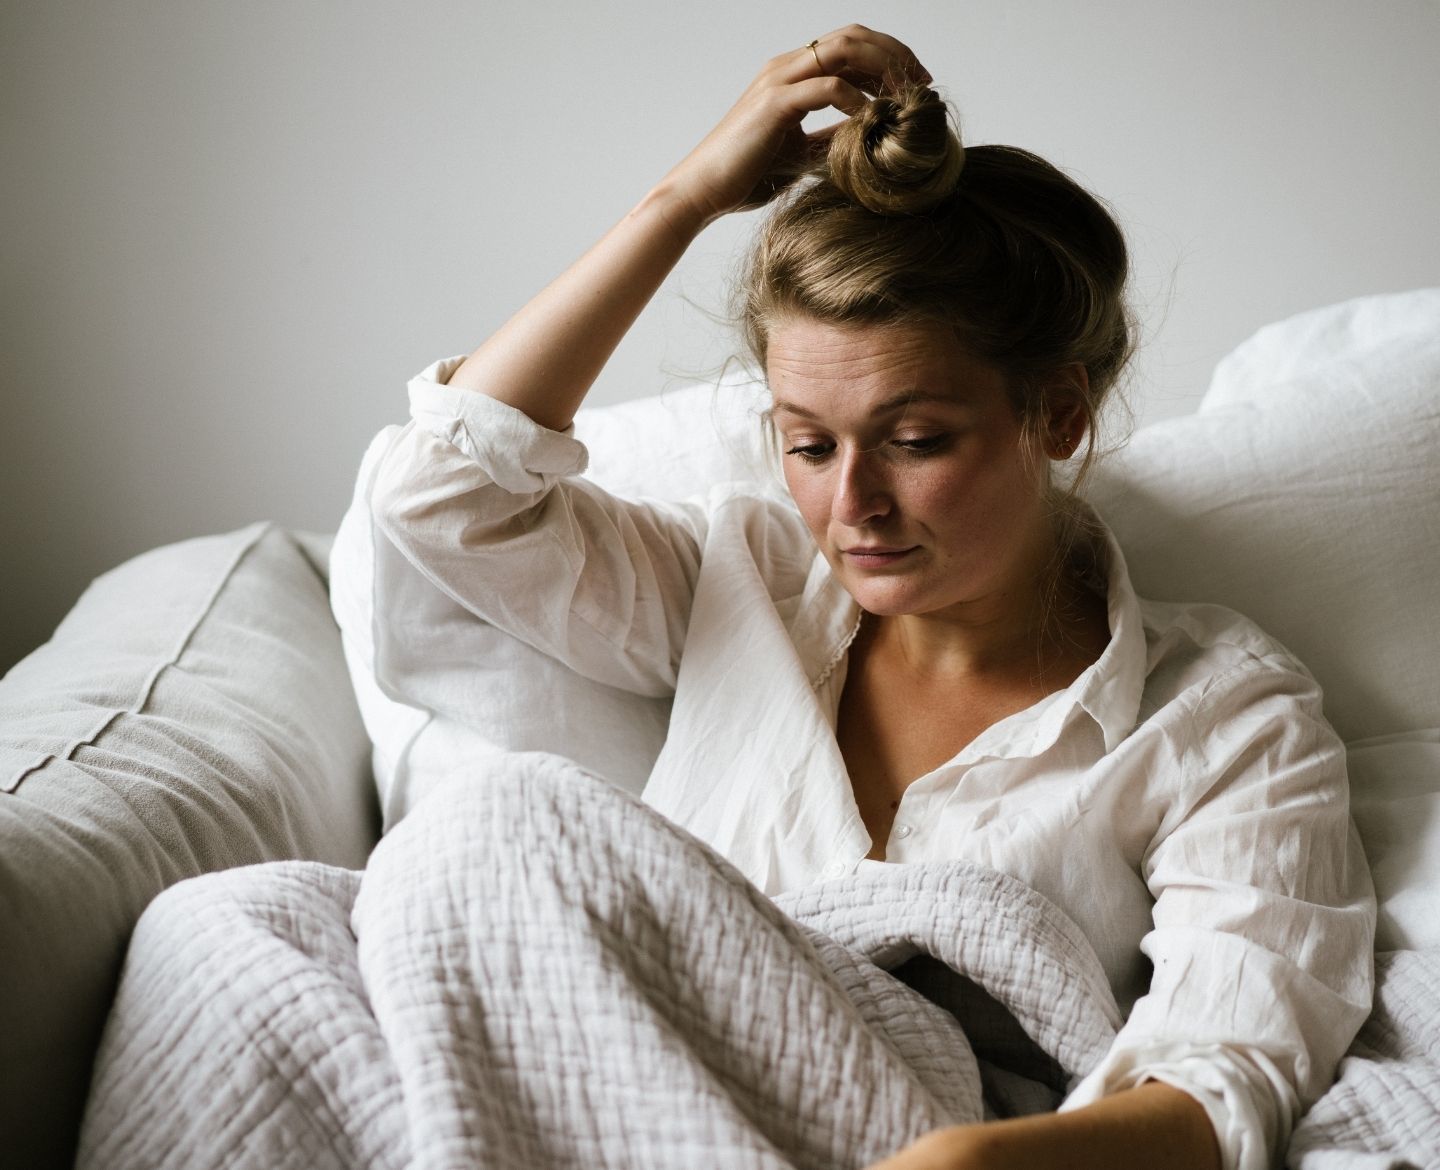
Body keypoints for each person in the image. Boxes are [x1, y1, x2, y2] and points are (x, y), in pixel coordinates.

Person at [360, 24, 1374, 1170]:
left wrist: (966, 1163)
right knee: (233, 926)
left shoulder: (1222, 718)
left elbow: (1226, 1071)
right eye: (807, 444)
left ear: (1059, 415)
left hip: (925, 1131)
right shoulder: (738, 580)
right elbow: (440, 497)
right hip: (629, 1088)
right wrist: (684, 199)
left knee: (508, 822)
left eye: (913, 440)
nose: (854, 506)